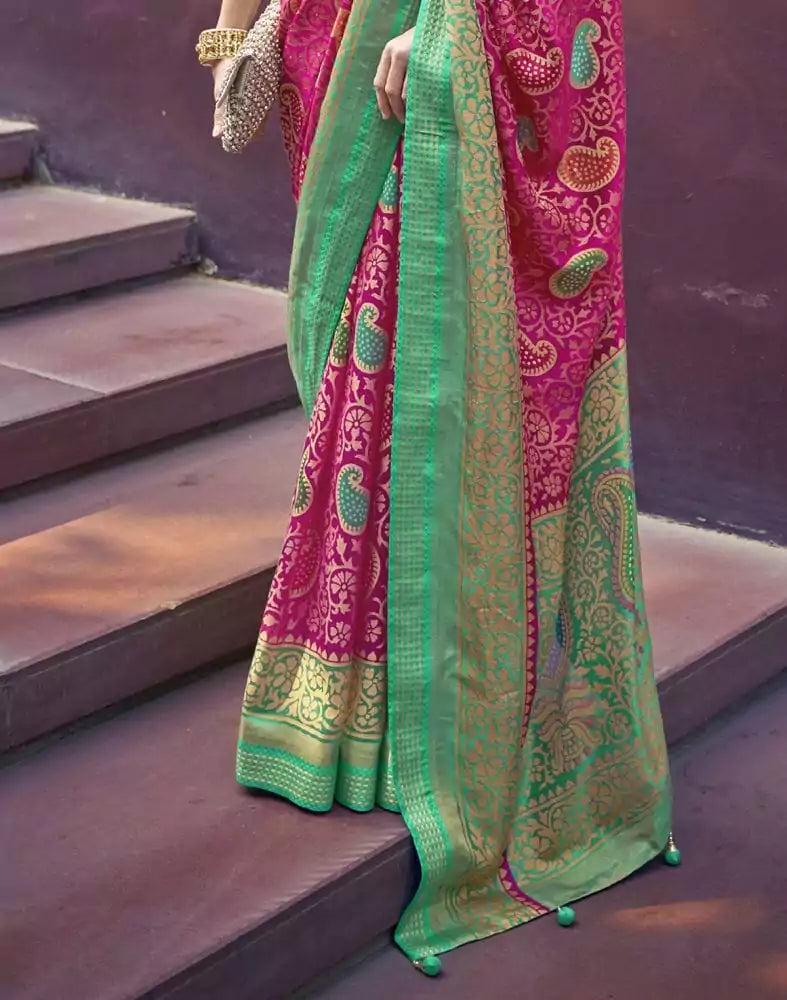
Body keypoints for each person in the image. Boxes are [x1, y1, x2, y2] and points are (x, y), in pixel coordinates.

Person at [200, 0, 677, 975]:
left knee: (411, 377)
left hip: (433, 54)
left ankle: (421, 718)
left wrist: (454, 33)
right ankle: (354, 713)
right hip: (338, 60)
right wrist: (234, 31)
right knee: (364, 380)